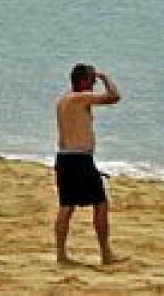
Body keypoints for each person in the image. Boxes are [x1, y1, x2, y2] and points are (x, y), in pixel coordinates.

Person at [54, 63, 125, 265]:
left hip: (65, 157)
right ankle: (106, 253)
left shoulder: (63, 100)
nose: (94, 84)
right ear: (83, 81)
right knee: (100, 203)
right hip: (79, 159)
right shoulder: (79, 98)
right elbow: (114, 96)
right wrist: (105, 76)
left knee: (66, 205)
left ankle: (61, 254)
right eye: (92, 81)